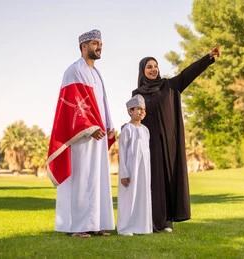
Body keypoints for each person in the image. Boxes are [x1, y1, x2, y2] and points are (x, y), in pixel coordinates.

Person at [132, 45, 220, 232]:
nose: (153, 69)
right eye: (149, 66)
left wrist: (208, 57)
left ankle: (167, 222)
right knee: (153, 182)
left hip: (170, 144)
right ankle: (153, 221)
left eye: (155, 65)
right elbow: (134, 117)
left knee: (169, 179)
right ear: (142, 70)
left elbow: (188, 73)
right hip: (149, 145)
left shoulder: (169, 86)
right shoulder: (137, 94)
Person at [47, 29, 116, 238]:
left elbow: (102, 102)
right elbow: (73, 104)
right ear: (84, 47)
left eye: (100, 43)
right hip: (81, 136)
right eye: (95, 43)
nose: (99, 46)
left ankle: (95, 224)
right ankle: (76, 227)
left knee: (97, 178)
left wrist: (108, 124)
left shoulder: (96, 73)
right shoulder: (73, 71)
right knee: (80, 178)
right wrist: (91, 126)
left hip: (98, 135)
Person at [117, 94, 152, 236]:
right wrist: (124, 173)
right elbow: (123, 152)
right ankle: (125, 228)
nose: (142, 112)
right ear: (130, 111)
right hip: (130, 171)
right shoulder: (127, 130)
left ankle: (142, 226)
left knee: (142, 196)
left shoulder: (145, 130)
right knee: (129, 198)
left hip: (144, 170)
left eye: (143, 109)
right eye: (138, 109)